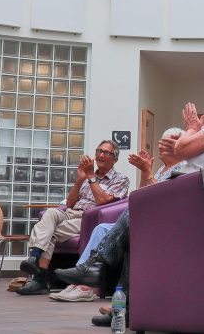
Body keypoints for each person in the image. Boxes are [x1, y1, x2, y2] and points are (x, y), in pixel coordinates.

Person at [56, 79, 204, 327]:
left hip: (200, 213)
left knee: (141, 209)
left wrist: (192, 127)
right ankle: (124, 304)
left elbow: (182, 149)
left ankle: (96, 267)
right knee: (141, 219)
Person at [50, 128, 186, 303]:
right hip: (144, 218)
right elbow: (143, 194)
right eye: (161, 142)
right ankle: (81, 282)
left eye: (167, 142)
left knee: (104, 229)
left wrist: (149, 173)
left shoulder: (184, 168)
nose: (161, 146)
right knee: (100, 229)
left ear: (179, 146)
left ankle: (84, 285)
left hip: (160, 224)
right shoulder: (162, 169)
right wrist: (146, 173)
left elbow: (162, 200)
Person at [16, 139, 130, 295]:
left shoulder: (121, 179)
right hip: (71, 212)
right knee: (50, 214)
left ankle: (39, 277)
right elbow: (69, 203)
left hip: (87, 217)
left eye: (106, 153)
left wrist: (90, 177)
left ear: (115, 159)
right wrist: (79, 179)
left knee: (50, 233)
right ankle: (34, 258)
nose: (101, 155)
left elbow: (103, 202)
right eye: (99, 151)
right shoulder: (87, 175)